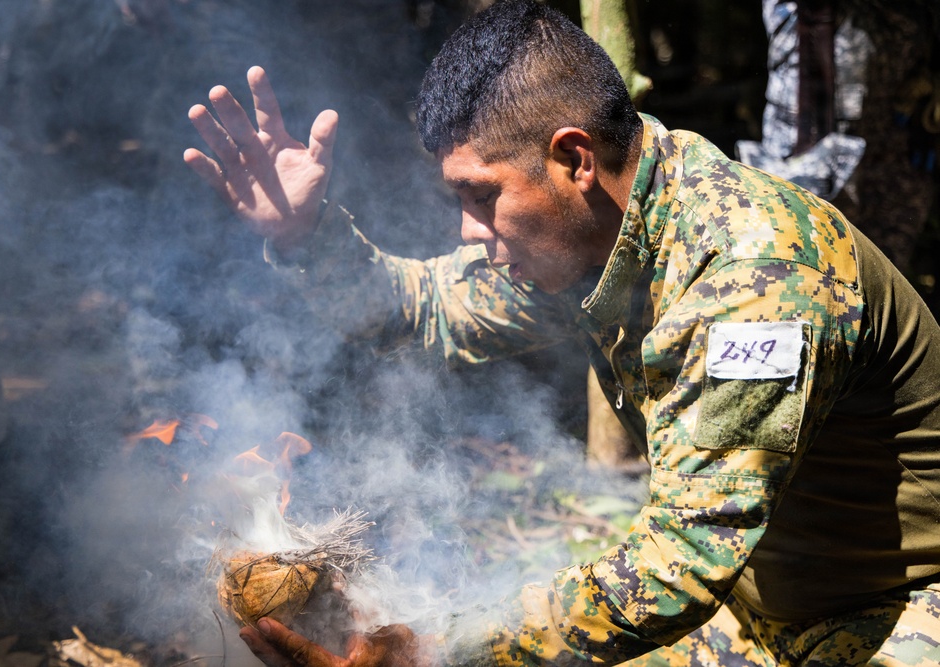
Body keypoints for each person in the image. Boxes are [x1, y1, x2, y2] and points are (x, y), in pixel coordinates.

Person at [184, 1, 940, 664]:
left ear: (574, 158)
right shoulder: (601, 233)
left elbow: (681, 560)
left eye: (481, 197)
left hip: (899, 613)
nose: (467, 231)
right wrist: (307, 235)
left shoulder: (757, 274)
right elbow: (425, 311)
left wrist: (437, 649)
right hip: (757, 611)